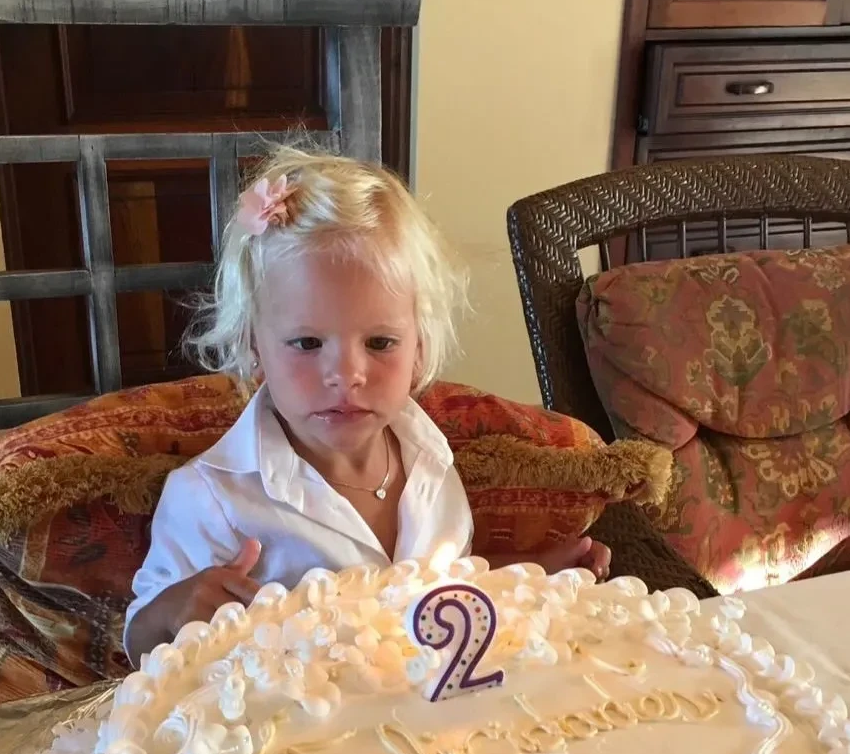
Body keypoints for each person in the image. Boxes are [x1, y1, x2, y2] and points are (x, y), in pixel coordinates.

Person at [124, 146, 611, 665]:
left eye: (380, 343)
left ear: (419, 346)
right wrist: (174, 610)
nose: (347, 374)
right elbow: (140, 642)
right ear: (253, 344)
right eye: (307, 343)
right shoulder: (211, 498)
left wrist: (532, 573)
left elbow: (436, 586)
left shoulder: (430, 460)